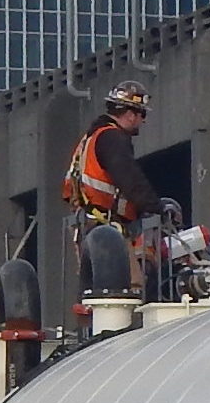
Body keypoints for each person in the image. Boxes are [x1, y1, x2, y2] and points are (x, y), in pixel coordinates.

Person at [65, 81, 169, 291]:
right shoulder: (112, 138)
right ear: (130, 114)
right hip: (107, 228)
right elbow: (130, 179)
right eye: (142, 115)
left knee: (95, 291)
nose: (143, 121)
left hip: (88, 224)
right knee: (130, 286)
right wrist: (158, 208)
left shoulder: (92, 137)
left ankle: (89, 324)